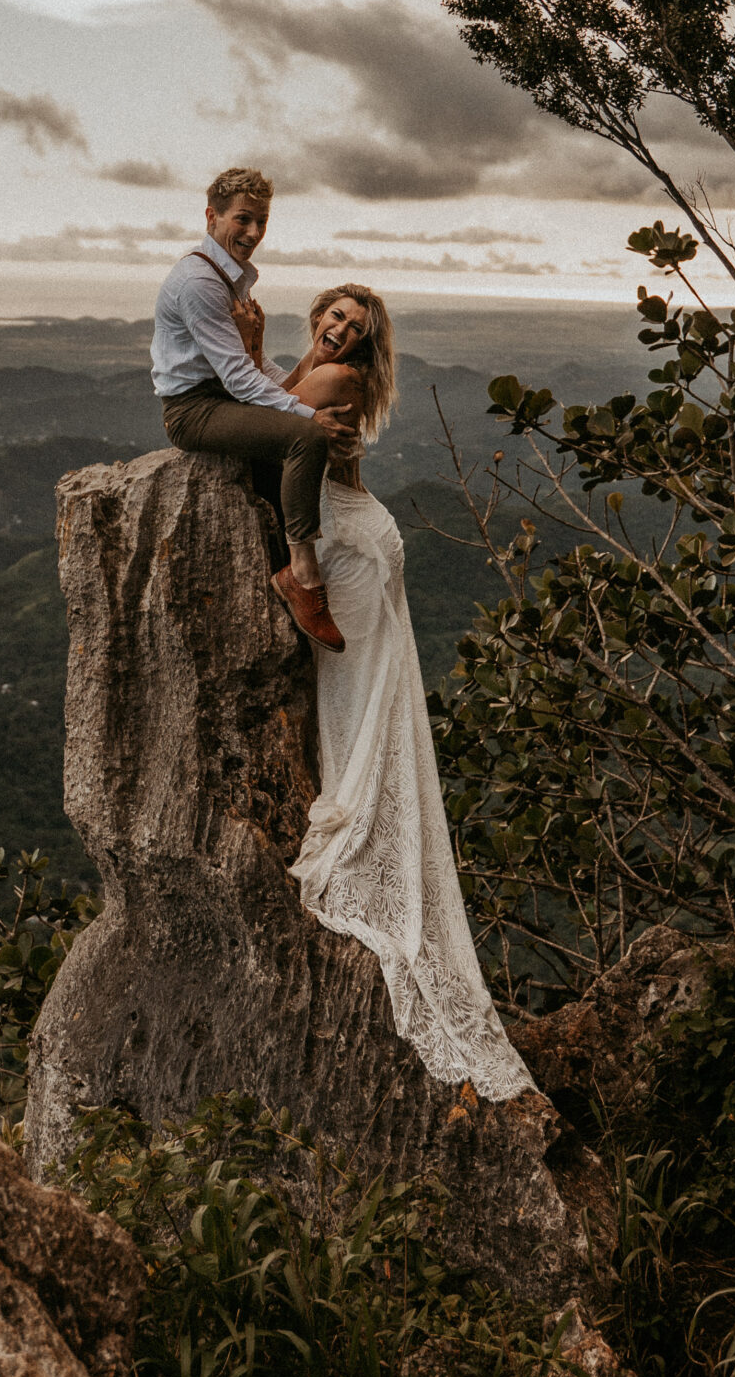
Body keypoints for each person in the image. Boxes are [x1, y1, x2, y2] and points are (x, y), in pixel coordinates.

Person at [284, 280, 535, 1100]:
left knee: (355, 704)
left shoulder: (332, 382)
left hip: (350, 552)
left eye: (353, 328)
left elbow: (262, 419)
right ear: (319, 314)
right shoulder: (315, 367)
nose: (338, 330)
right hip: (359, 532)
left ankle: (361, 831)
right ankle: (364, 814)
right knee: (363, 704)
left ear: (363, 347)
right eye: (333, 316)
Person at [153, 169, 361, 647]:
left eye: (261, 221)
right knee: (304, 438)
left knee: (296, 432)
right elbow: (239, 378)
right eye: (242, 219)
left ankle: (279, 552)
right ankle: (302, 577)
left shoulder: (229, 276)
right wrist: (307, 416)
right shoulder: (200, 282)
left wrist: (297, 390)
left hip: (218, 397)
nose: (252, 232)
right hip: (193, 410)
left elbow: (256, 364)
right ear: (212, 216)